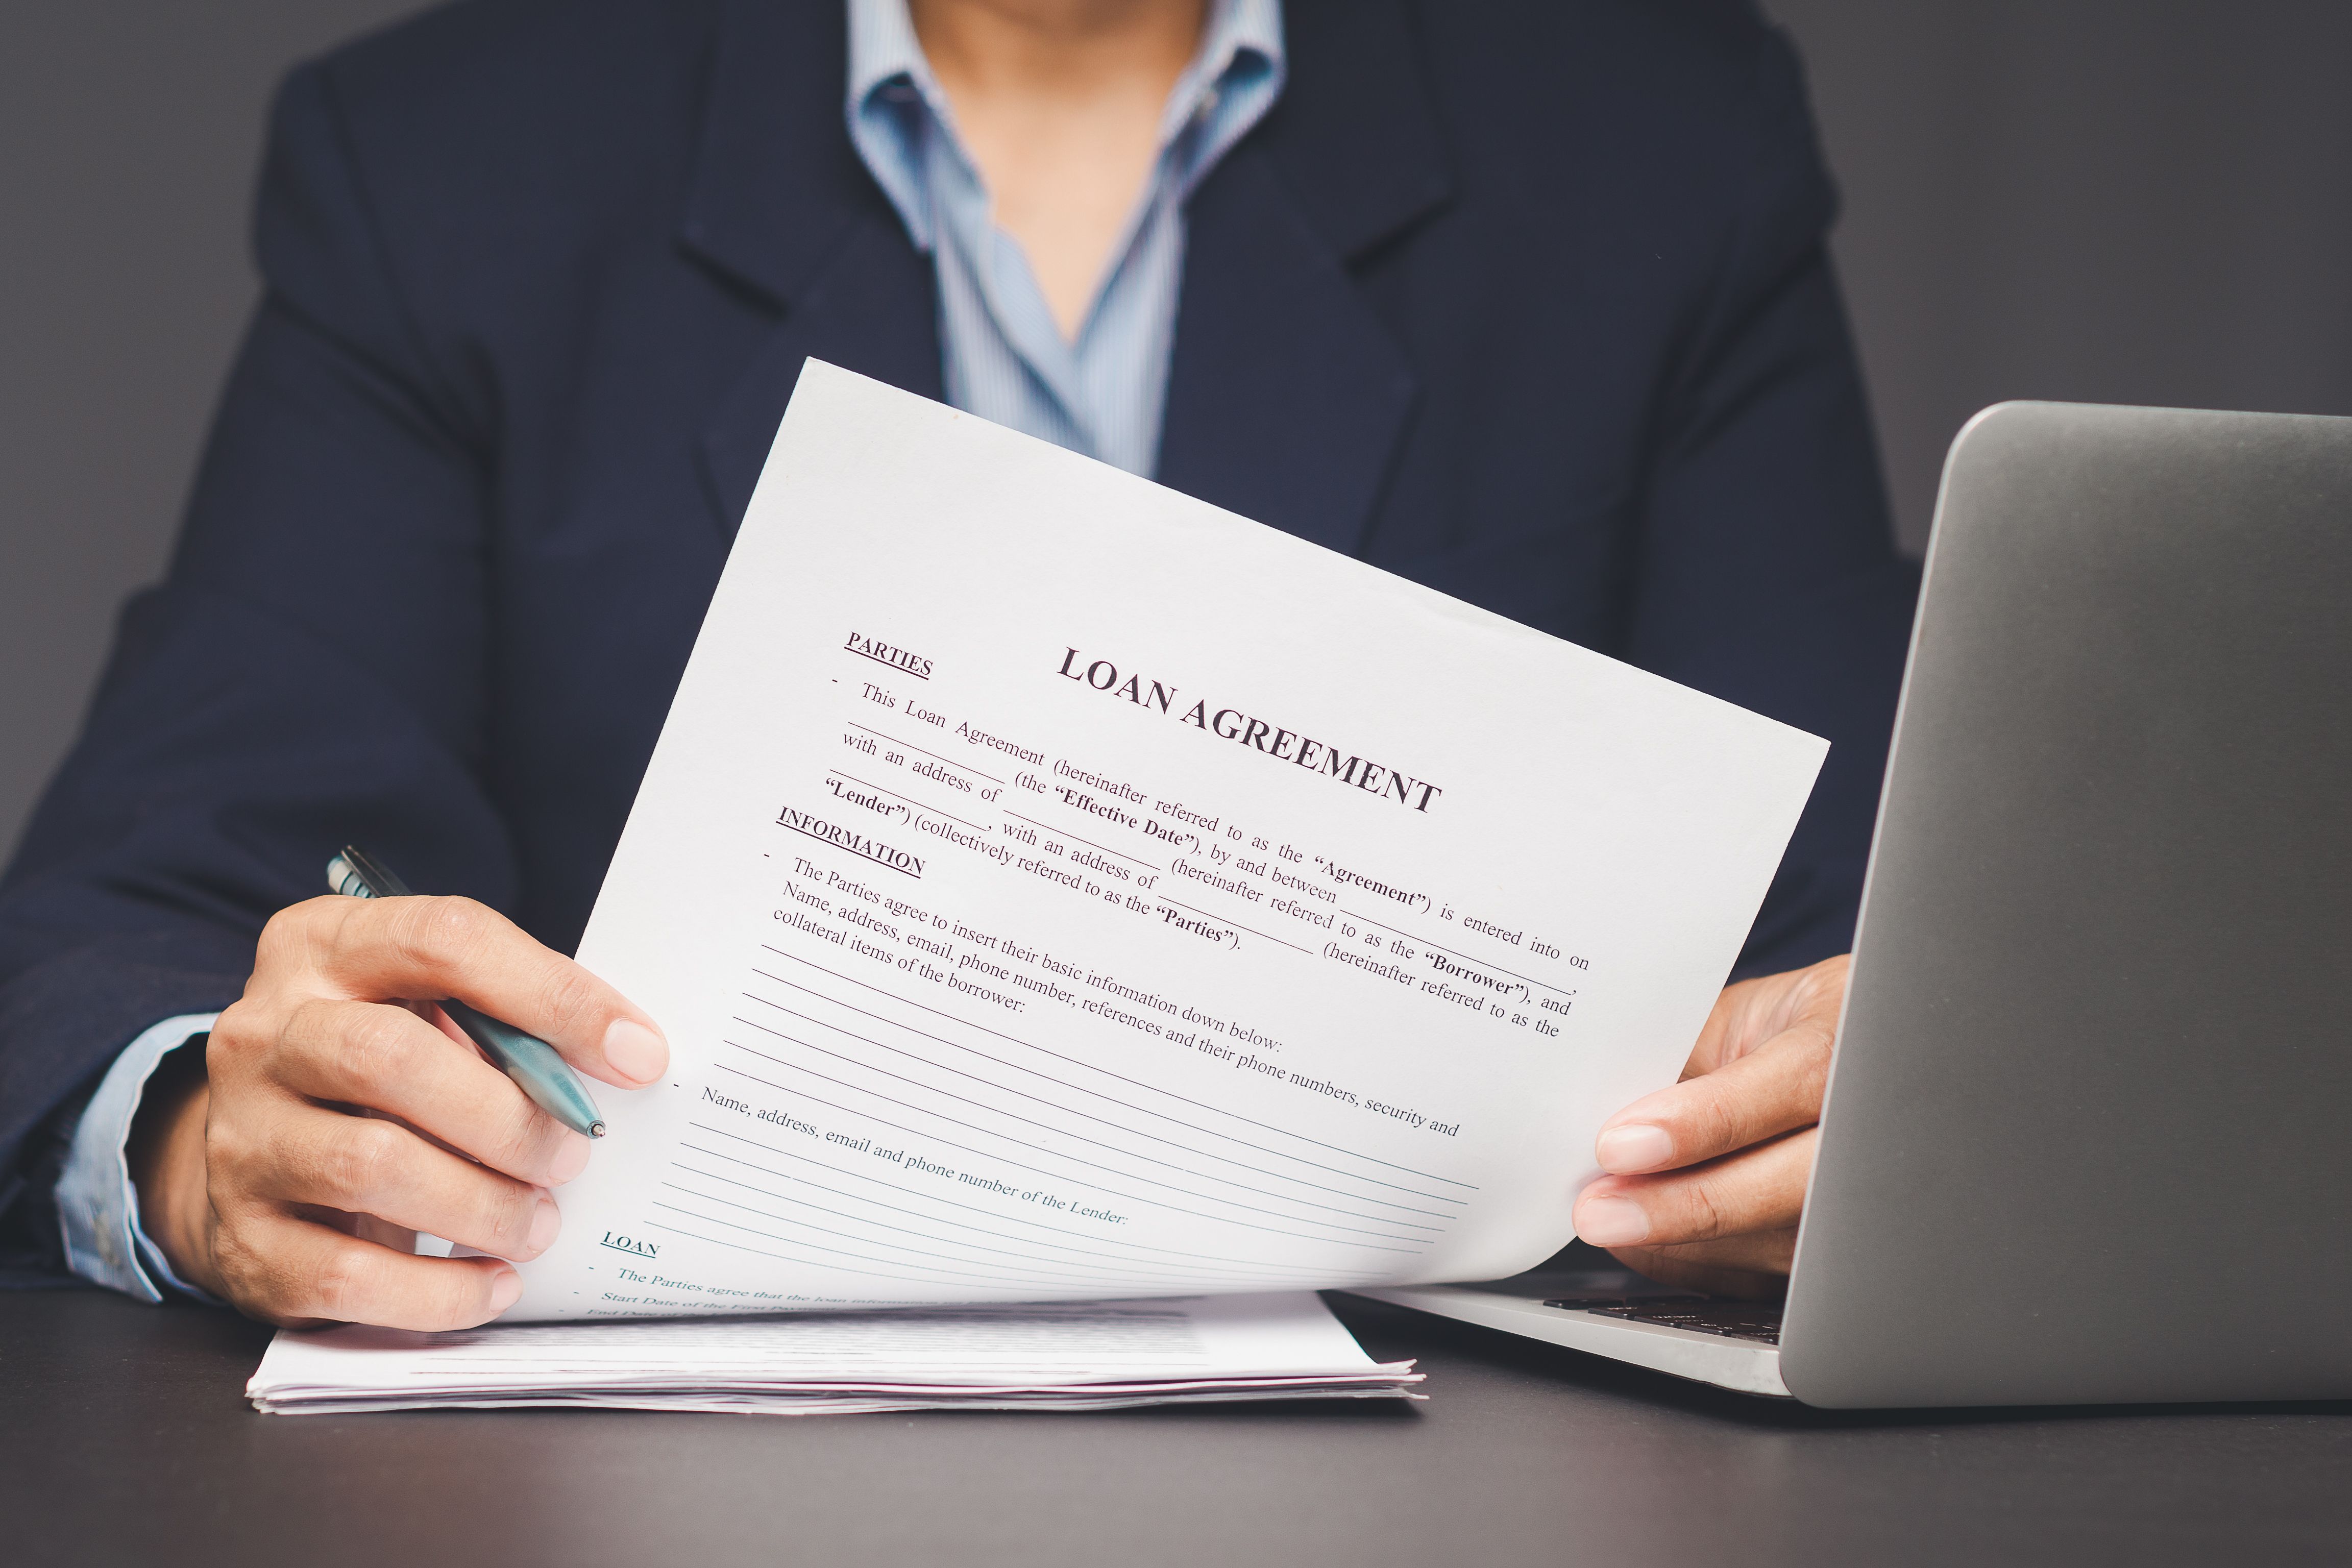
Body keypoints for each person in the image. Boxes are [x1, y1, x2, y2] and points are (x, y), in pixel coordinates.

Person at [0, 0, 1915, 1326]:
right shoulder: (452, 167)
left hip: (1447, 1456)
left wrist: (1872, 1105)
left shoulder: (1656, 156)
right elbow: (140, 909)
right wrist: (195, 1142)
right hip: (645, 1467)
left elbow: (1881, 948)